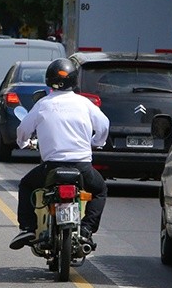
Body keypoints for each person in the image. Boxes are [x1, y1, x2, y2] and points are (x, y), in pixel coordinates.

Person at [9, 58, 110, 251]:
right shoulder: (85, 104)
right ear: (74, 80)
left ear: (49, 80)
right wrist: (97, 143)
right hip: (82, 167)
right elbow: (104, 125)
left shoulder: (43, 104)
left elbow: (23, 129)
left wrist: (23, 143)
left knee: (27, 185)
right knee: (99, 190)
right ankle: (87, 229)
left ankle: (28, 228)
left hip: (51, 167)